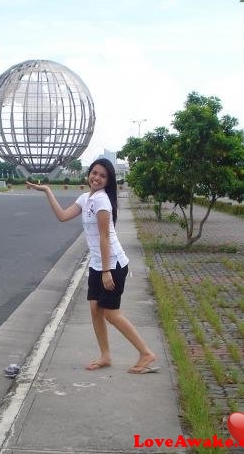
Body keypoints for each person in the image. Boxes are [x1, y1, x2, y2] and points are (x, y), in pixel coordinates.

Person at [26, 158, 159, 374]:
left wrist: (107, 271)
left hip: (113, 264)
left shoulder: (102, 201)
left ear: (108, 181)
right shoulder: (85, 198)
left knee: (111, 314)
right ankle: (105, 356)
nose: (96, 178)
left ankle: (146, 353)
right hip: (97, 265)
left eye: (102, 176)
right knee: (95, 310)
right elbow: (62, 216)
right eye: (94, 173)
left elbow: (105, 237)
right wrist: (47, 191)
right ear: (89, 174)